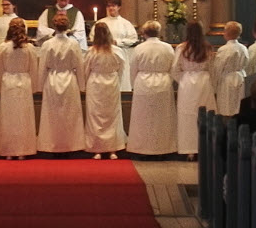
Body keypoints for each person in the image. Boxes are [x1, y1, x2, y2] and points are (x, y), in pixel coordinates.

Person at [37, 14, 85, 154]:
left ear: (54, 26)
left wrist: (39, 86)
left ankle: (52, 145)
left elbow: (42, 66)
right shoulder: (73, 44)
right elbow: (79, 66)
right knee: (70, 114)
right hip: (70, 80)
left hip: (52, 79)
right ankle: (71, 145)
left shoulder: (47, 44)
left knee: (52, 115)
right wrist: (82, 85)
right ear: (67, 26)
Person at [127, 20, 177, 156]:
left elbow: (133, 68)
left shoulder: (139, 48)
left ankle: (142, 149)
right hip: (163, 83)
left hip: (143, 83)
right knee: (162, 118)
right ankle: (163, 149)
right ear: (159, 32)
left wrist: (134, 85)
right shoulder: (167, 47)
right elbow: (173, 68)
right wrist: (168, 80)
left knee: (143, 118)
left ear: (144, 33)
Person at [171, 20, 217, 160]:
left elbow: (174, 69)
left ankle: (189, 149)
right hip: (204, 82)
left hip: (187, 85)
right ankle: (205, 148)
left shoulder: (182, 48)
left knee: (187, 116)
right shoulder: (207, 47)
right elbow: (212, 68)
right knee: (205, 114)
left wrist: (183, 79)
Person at [0, 18, 38, 160]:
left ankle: (8, 150)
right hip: (24, 82)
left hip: (8, 82)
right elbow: (33, 68)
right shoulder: (29, 48)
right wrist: (34, 87)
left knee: (8, 117)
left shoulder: (3, 47)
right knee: (23, 117)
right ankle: (23, 150)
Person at [83, 23, 127, 160]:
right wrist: (117, 82)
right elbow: (121, 70)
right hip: (111, 83)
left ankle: (97, 150)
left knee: (95, 116)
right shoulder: (117, 51)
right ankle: (112, 149)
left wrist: (85, 85)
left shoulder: (92, 51)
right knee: (112, 116)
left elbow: (86, 70)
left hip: (95, 83)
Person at [90, 0, 139, 91]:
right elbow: (93, 37)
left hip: (120, 54)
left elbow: (133, 38)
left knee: (121, 79)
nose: (111, 8)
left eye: (113, 6)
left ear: (119, 7)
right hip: (103, 55)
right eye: (109, 6)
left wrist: (118, 42)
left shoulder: (125, 23)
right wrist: (103, 42)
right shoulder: (101, 22)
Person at [213, 21, 249, 117]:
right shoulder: (243, 48)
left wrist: (214, 85)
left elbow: (218, 67)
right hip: (241, 77)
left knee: (227, 107)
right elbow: (246, 63)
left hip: (227, 80)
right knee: (238, 106)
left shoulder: (223, 49)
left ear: (227, 33)